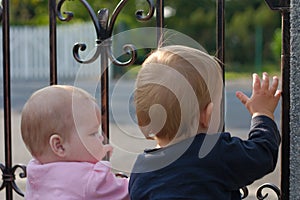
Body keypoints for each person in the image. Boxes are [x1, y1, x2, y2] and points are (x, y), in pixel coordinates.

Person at [129, 45, 281, 199]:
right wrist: (262, 114)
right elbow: (262, 155)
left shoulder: (141, 169)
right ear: (207, 115)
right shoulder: (214, 152)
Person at [21, 85, 130, 200]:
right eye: (93, 133)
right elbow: (130, 190)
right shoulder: (90, 180)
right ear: (59, 146)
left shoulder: (36, 170)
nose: (101, 138)